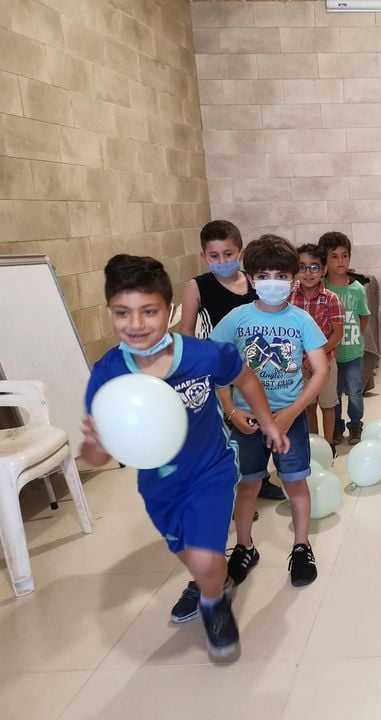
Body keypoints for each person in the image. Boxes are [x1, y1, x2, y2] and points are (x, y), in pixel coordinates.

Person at [81, 254, 289, 662]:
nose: (136, 324)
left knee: (207, 558)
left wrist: (269, 423)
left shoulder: (201, 355)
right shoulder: (108, 373)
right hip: (158, 484)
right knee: (190, 554)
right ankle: (208, 581)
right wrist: (94, 444)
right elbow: (98, 453)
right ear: (110, 312)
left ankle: (214, 601)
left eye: (149, 311)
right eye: (122, 313)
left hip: (211, 470)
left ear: (170, 310)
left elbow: (245, 377)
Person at [210, 235, 330, 588]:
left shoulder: (301, 320)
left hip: (287, 419)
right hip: (245, 421)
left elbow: (320, 370)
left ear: (293, 279)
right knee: (247, 486)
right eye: (263, 275)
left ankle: (301, 546)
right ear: (250, 278)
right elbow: (218, 366)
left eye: (280, 275)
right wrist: (231, 411)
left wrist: (293, 412)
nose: (272, 282)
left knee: (295, 483)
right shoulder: (236, 319)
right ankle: (244, 547)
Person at [180, 219, 286, 502]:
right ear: (204, 256)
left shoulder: (255, 282)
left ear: (240, 252)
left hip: (260, 367)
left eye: (228, 254)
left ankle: (259, 479)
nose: (221, 261)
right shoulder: (197, 286)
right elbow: (186, 334)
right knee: (230, 434)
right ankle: (235, 492)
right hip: (221, 374)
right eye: (214, 256)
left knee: (259, 425)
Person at [318, 231, 370, 445]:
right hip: (330, 354)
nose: (341, 261)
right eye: (334, 256)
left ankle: (355, 424)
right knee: (334, 393)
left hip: (353, 352)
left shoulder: (357, 289)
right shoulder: (322, 287)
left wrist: (356, 336)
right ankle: (337, 426)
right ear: (325, 260)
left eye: (344, 255)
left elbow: (364, 317)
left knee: (355, 391)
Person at [291, 243, 344, 448]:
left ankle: (328, 444)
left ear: (323, 270)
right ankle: (315, 444)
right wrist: (303, 359)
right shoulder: (289, 297)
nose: (308, 273)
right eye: (302, 267)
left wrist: (317, 357)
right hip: (298, 363)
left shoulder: (331, 299)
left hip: (326, 361)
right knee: (308, 405)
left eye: (314, 267)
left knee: (327, 404)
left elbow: (337, 333)